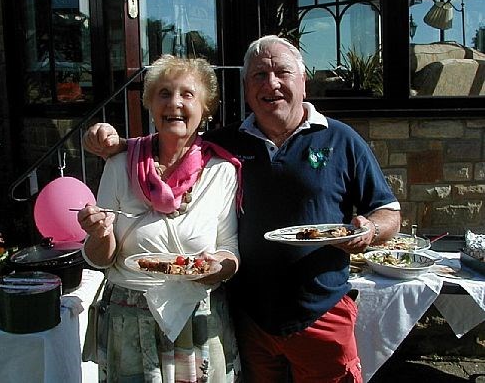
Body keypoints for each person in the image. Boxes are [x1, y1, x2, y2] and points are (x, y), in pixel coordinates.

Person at [83, 35, 401, 383]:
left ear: (303, 81)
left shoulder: (341, 139)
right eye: (259, 75)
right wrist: (118, 145)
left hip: (320, 310)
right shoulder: (225, 146)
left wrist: (369, 230)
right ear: (247, 88)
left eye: (282, 72)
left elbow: (388, 212)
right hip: (250, 318)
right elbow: (174, 139)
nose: (271, 83)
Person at [78, 55, 241, 382]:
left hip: (196, 317)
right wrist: (100, 234)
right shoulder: (119, 165)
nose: (174, 103)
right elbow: (100, 258)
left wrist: (215, 268)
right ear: (150, 105)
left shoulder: (221, 171)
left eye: (187, 94)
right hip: (129, 319)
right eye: (164, 93)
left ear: (205, 108)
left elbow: (230, 250)